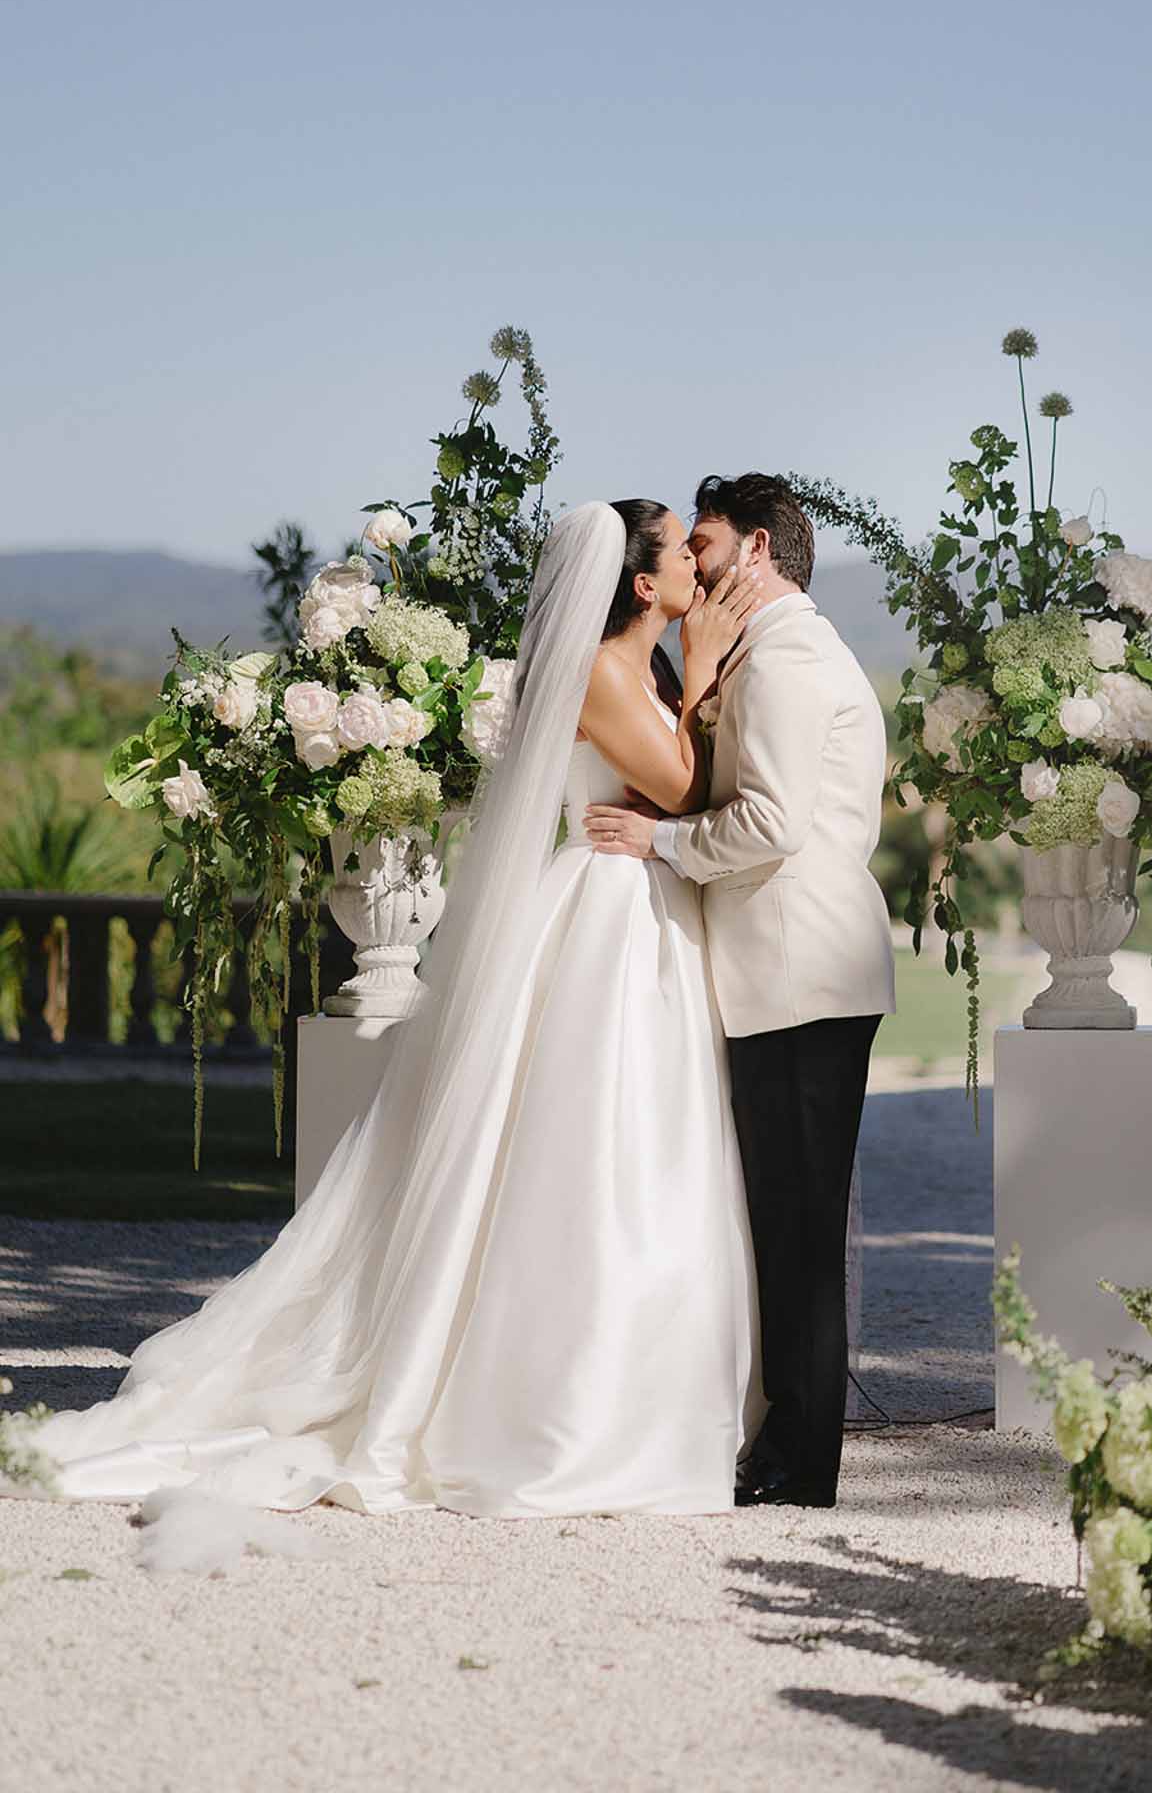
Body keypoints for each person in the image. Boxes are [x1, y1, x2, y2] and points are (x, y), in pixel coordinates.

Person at [6, 501, 766, 1519]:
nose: (692, 569)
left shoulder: (650, 668)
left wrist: (692, 673)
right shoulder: (602, 669)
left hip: (640, 904)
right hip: (606, 914)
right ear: (641, 583)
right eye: (679, 552)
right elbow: (682, 784)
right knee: (594, 1139)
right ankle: (552, 1398)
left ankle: (650, 1379)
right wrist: (708, 666)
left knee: (642, 1141)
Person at [586, 473, 895, 1509]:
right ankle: (780, 1445)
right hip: (784, 974)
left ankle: (799, 1466)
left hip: (799, 975)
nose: (697, 564)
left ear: (755, 549)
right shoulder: (760, 655)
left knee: (801, 1233)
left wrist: (660, 839)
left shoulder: (792, 657)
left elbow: (769, 821)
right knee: (783, 1223)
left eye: (706, 543)